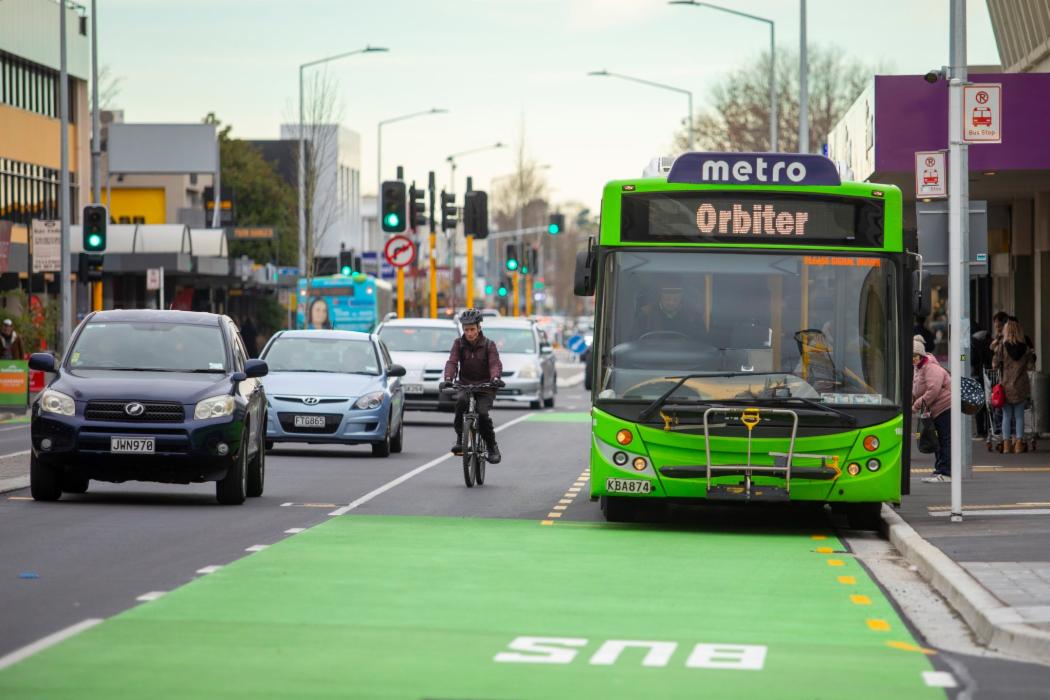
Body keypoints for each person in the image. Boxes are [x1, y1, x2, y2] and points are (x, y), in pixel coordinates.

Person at [440, 308, 505, 464]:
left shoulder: (489, 345)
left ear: (479, 328)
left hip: (485, 386)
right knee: (461, 403)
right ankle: (460, 438)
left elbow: (495, 364)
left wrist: (495, 378)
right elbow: (452, 362)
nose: (469, 333)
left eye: (472, 329)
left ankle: (491, 446)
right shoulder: (458, 344)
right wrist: (449, 378)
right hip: (465, 384)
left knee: (482, 414)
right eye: (466, 330)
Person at [992, 319, 1036, 454]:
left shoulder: (1002, 347)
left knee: (1006, 415)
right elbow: (1030, 366)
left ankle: (1006, 445)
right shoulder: (1026, 348)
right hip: (1021, 386)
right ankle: (1018, 444)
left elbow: (994, 365)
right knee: (1019, 416)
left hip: (1006, 386)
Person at [912, 338, 952, 483]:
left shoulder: (931, 368)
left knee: (944, 439)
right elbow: (916, 389)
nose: (913, 360)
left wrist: (916, 405)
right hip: (935, 409)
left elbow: (933, 391)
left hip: (945, 407)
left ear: (921, 355)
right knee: (938, 440)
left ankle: (946, 472)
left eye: (915, 356)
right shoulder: (919, 368)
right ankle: (940, 470)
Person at [633, 277, 701, 338]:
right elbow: (634, 338)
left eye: (675, 300)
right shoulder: (646, 314)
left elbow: (702, 340)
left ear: (681, 299)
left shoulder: (692, 316)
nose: (671, 303)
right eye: (667, 299)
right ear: (661, 297)